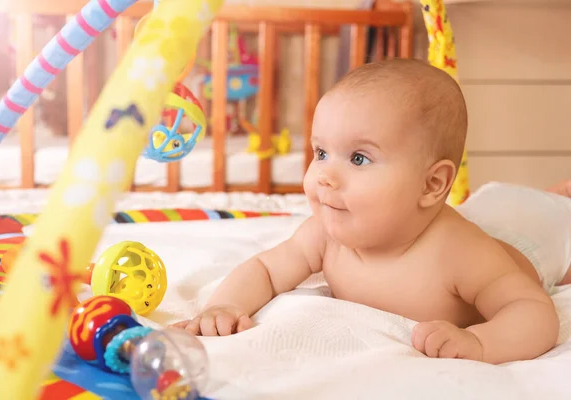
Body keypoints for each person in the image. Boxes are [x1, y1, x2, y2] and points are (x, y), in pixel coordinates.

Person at [173, 59, 571, 364]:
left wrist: (483, 343)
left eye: (359, 158)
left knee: (550, 216)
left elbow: (532, 310)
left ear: (432, 184)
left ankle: (558, 196)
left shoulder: (458, 252)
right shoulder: (325, 235)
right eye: (321, 152)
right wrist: (224, 306)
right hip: (485, 214)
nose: (325, 175)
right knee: (487, 205)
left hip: (532, 240)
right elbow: (264, 269)